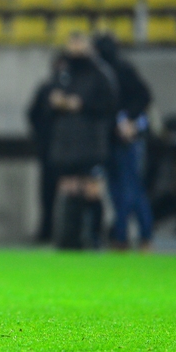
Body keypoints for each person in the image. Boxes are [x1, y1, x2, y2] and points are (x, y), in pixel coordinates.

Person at [48, 32, 118, 249]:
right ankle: (68, 239)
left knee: (91, 190)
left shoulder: (100, 73)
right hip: (66, 143)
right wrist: (56, 101)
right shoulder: (63, 72)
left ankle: (94, 238)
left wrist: (83, 105)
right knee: (69, 187)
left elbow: (110, 105)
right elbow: (48, 99)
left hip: (91, 142)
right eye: (72, 43)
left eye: (80, 44)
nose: (75, 48)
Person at [94, 34, 154, 250]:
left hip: (126, 138)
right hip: (112, 138)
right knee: (120, 189)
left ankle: (133, 235)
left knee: (130, 188)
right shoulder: (107, 72)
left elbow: (144, 97)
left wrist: (128, 119)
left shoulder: (120, 71)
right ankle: (126, 236)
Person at [27, 56, 60, 243]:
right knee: (48, 193)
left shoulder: (49, 88)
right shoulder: (47, 89)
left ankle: (53, 231)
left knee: (55, 193)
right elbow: (32, 115)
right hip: (51, 149)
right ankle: (48, 230)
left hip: (56, 150)